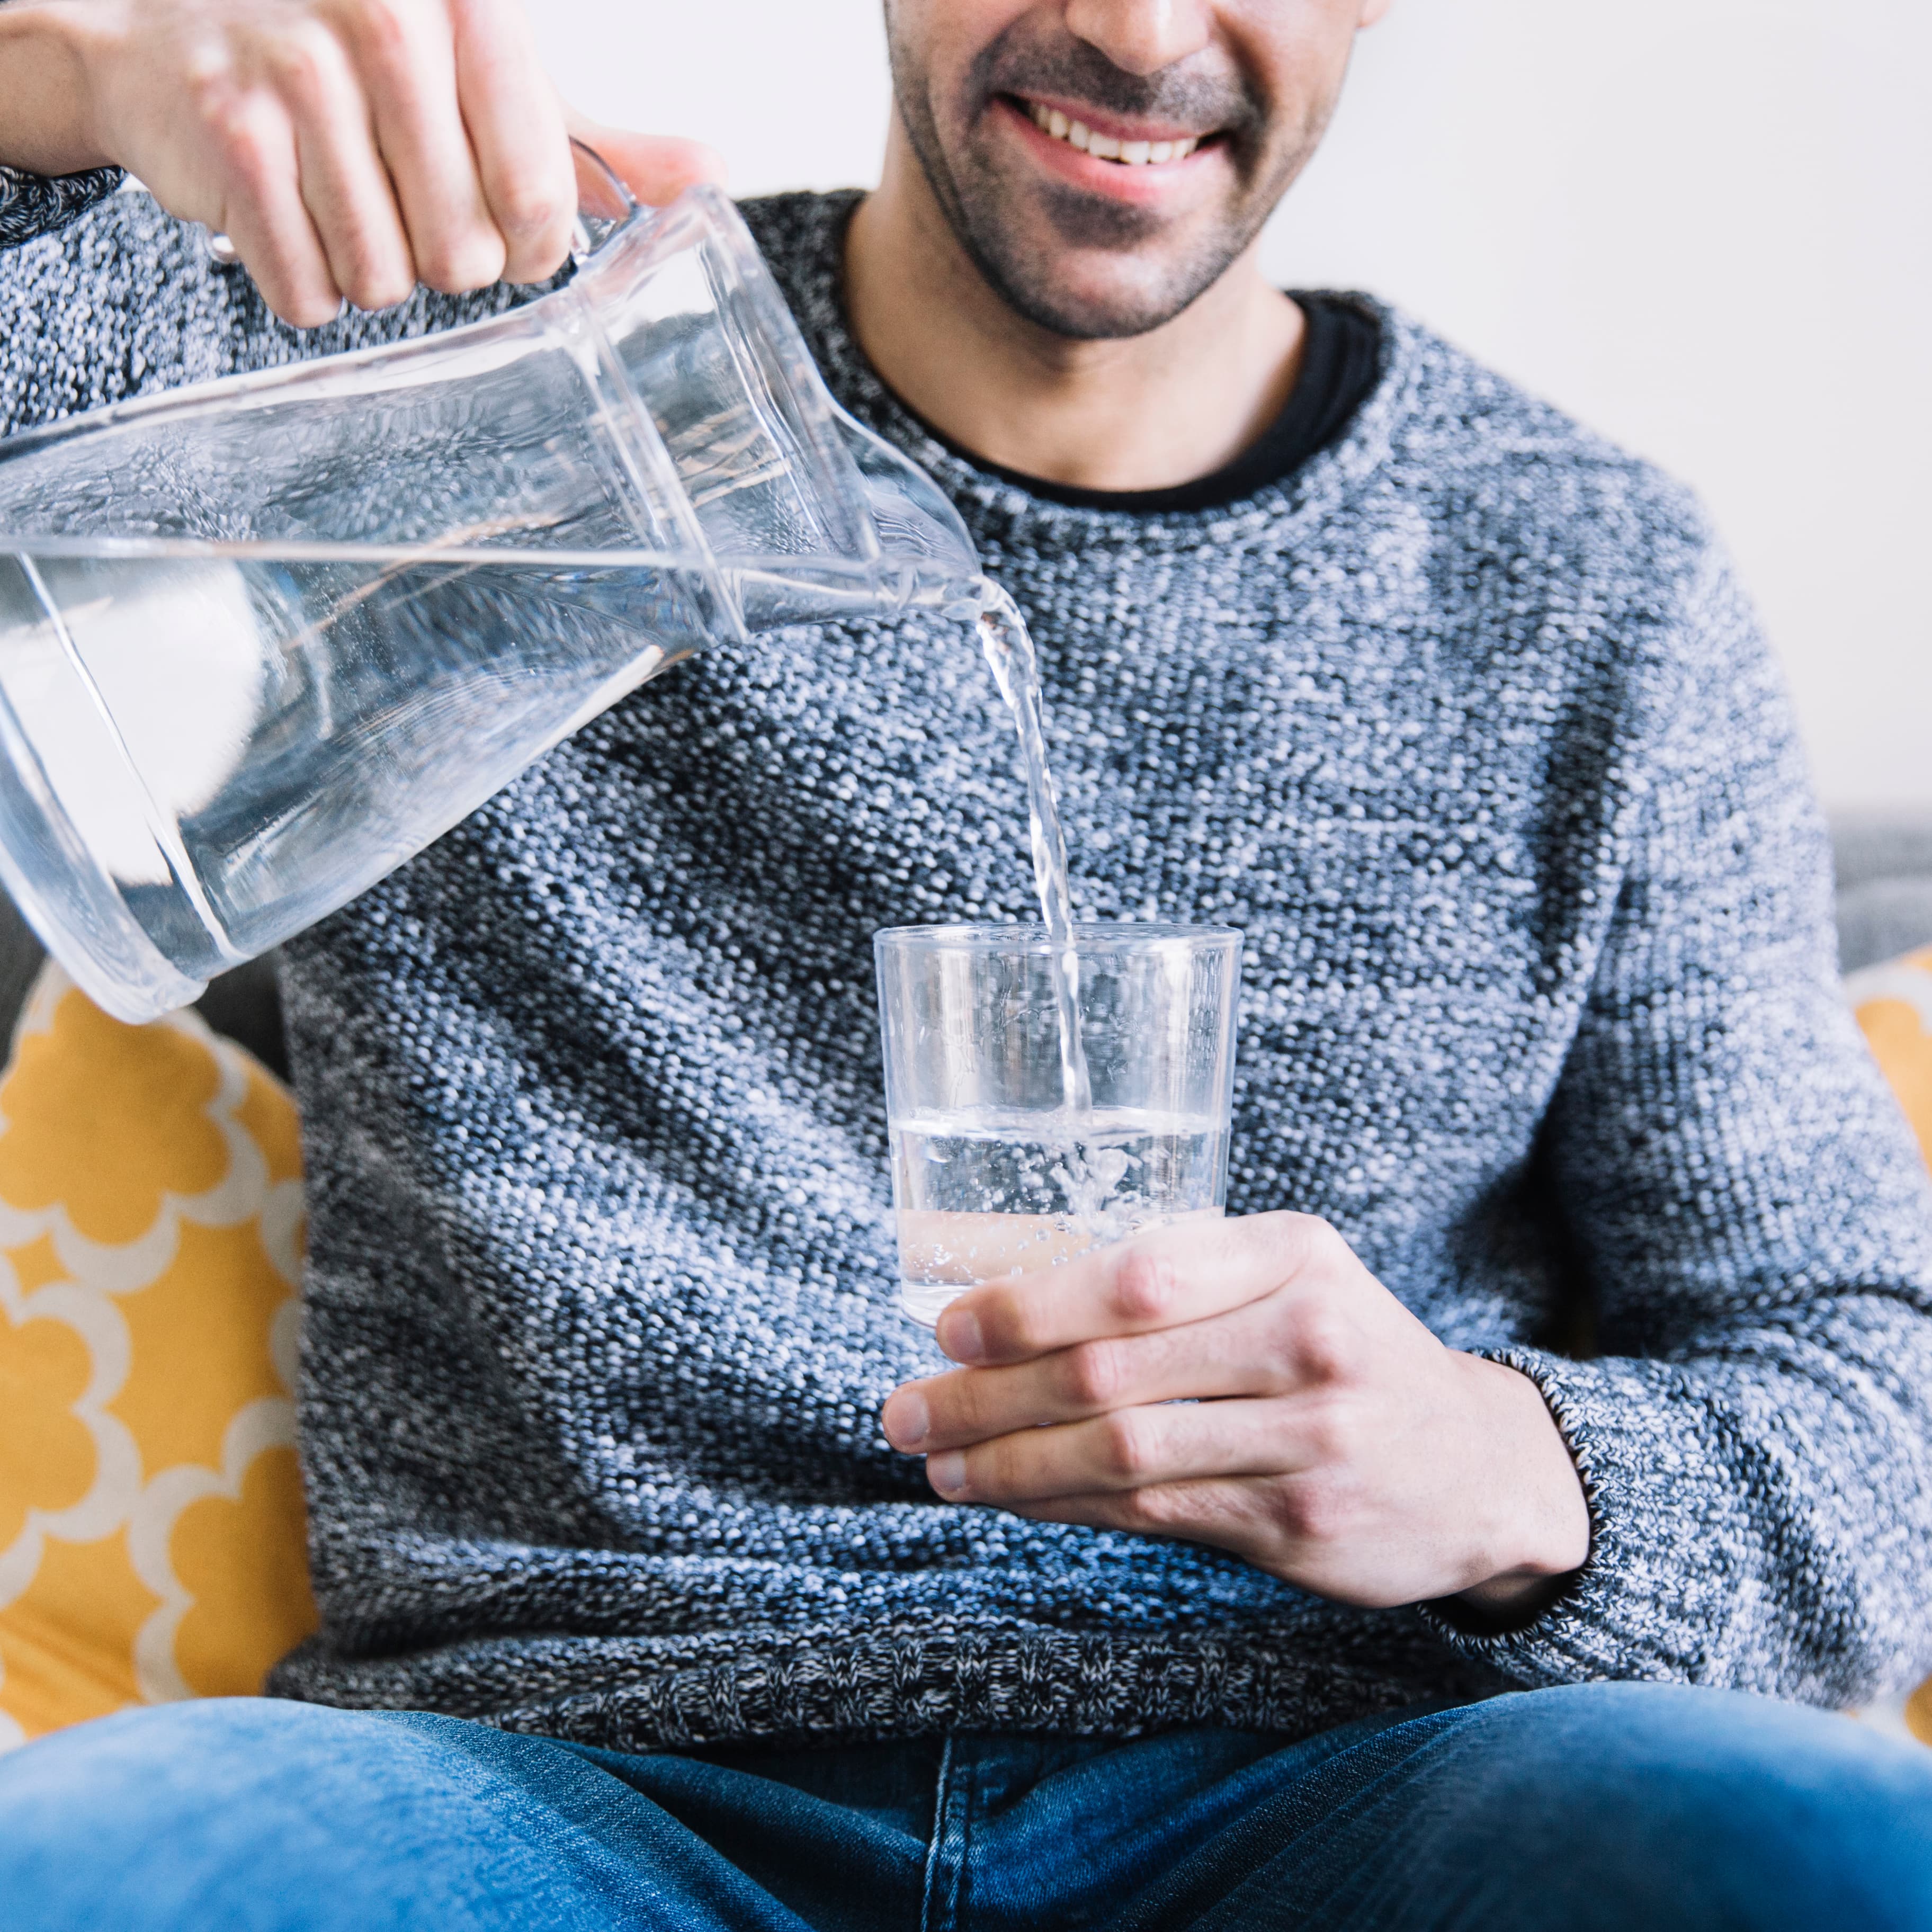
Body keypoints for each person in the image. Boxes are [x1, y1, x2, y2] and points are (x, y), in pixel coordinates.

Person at [3, 0, 1932, 1925]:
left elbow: (1873, 1403)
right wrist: (63, 82)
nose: (1132, 28)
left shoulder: (1589, 587)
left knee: (1830, 1857)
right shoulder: (478, 377)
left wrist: (1521, 1473)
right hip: (554, 1780)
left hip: (1347, 1779)